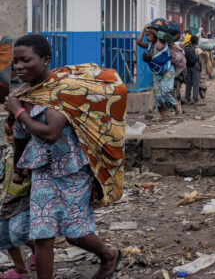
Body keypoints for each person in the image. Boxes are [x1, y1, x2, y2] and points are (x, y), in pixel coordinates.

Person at [5, 34, 125, 279]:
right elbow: (20, 136)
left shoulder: (60, 91)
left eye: (25, 60)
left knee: (75, 234)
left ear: (45, 59)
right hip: (43, 172)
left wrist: (17, 111)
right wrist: (18, 169)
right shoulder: (25, 92)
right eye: (15, 62)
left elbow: (50, 132)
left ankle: (108, 255)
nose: (18, 67)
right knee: (42, 235)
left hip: (73, 171)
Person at [0, 117, 36, 278]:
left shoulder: (30, 155)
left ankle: (38, 250)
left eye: (14, 134)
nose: (10, 138)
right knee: (4, 236)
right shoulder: (7, 154)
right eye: (7, 134)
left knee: (19, 233)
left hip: (23, 201)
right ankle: (20, 269)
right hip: (6, 200)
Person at [139, 21, 180, 121]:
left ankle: (175, 106)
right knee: (157, 95)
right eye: (146, 36)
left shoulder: (161, 42)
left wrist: (157, 33)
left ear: (155, 35)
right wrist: (143, 30)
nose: (147, 38)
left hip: (167, 70)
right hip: (156, 72)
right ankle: (162, 116)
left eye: (149, 36)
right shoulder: (149, 45)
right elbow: (138, 42)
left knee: (165, 91)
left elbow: (162, 42)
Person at [184, 35, 204, 105]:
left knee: (188, 83)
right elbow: (200, 60)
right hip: (195, 67)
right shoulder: (198, 49)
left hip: (188, 67)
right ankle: (195, 99)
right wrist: (201, 68)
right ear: (197, 41)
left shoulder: (186, 48)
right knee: (196, 83)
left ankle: (187, 98)